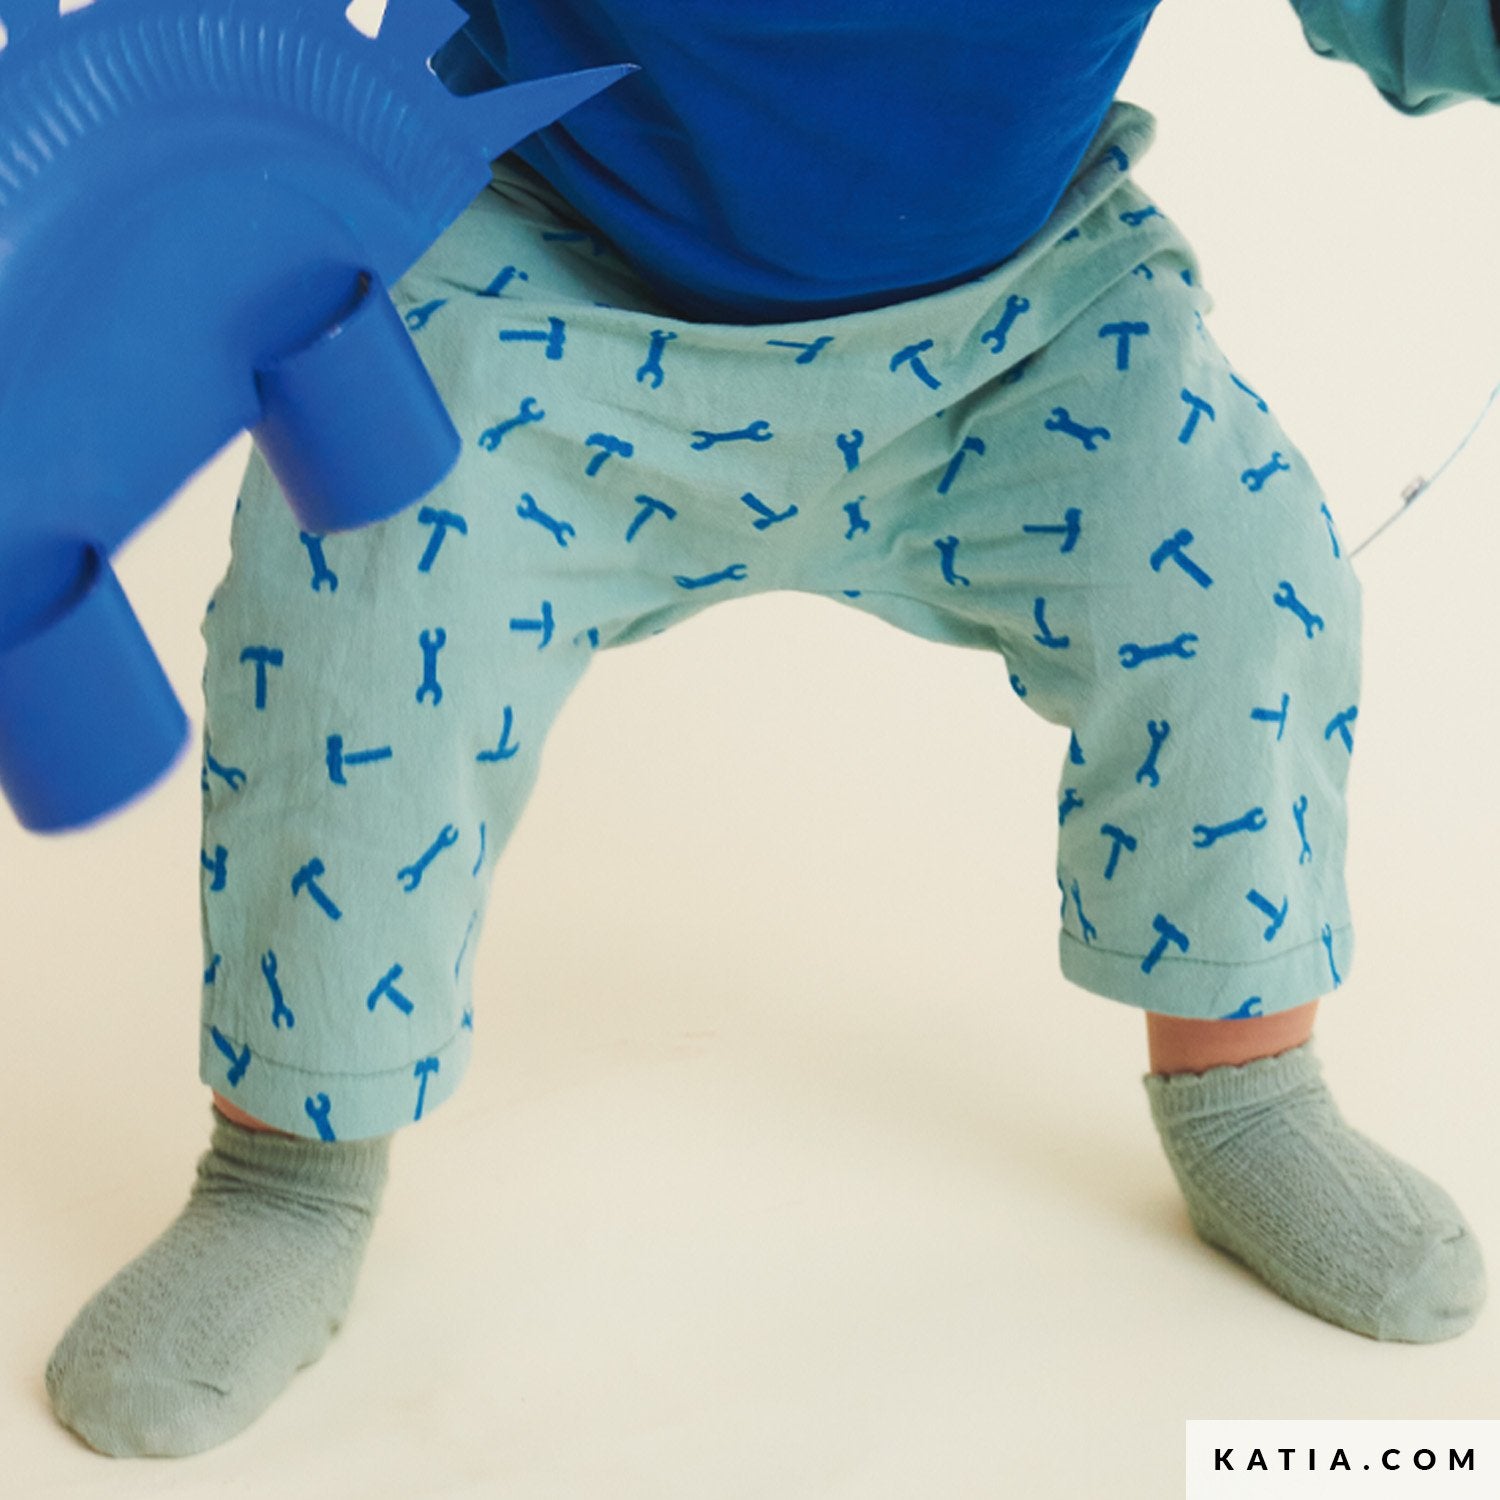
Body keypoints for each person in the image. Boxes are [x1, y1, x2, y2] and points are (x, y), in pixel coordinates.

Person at [43, 0, 1497, 1458]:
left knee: (1241, 571)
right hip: (550, 273)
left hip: (1014, 313)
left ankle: (1245, 1082)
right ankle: (290, 1163)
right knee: (358, 588)